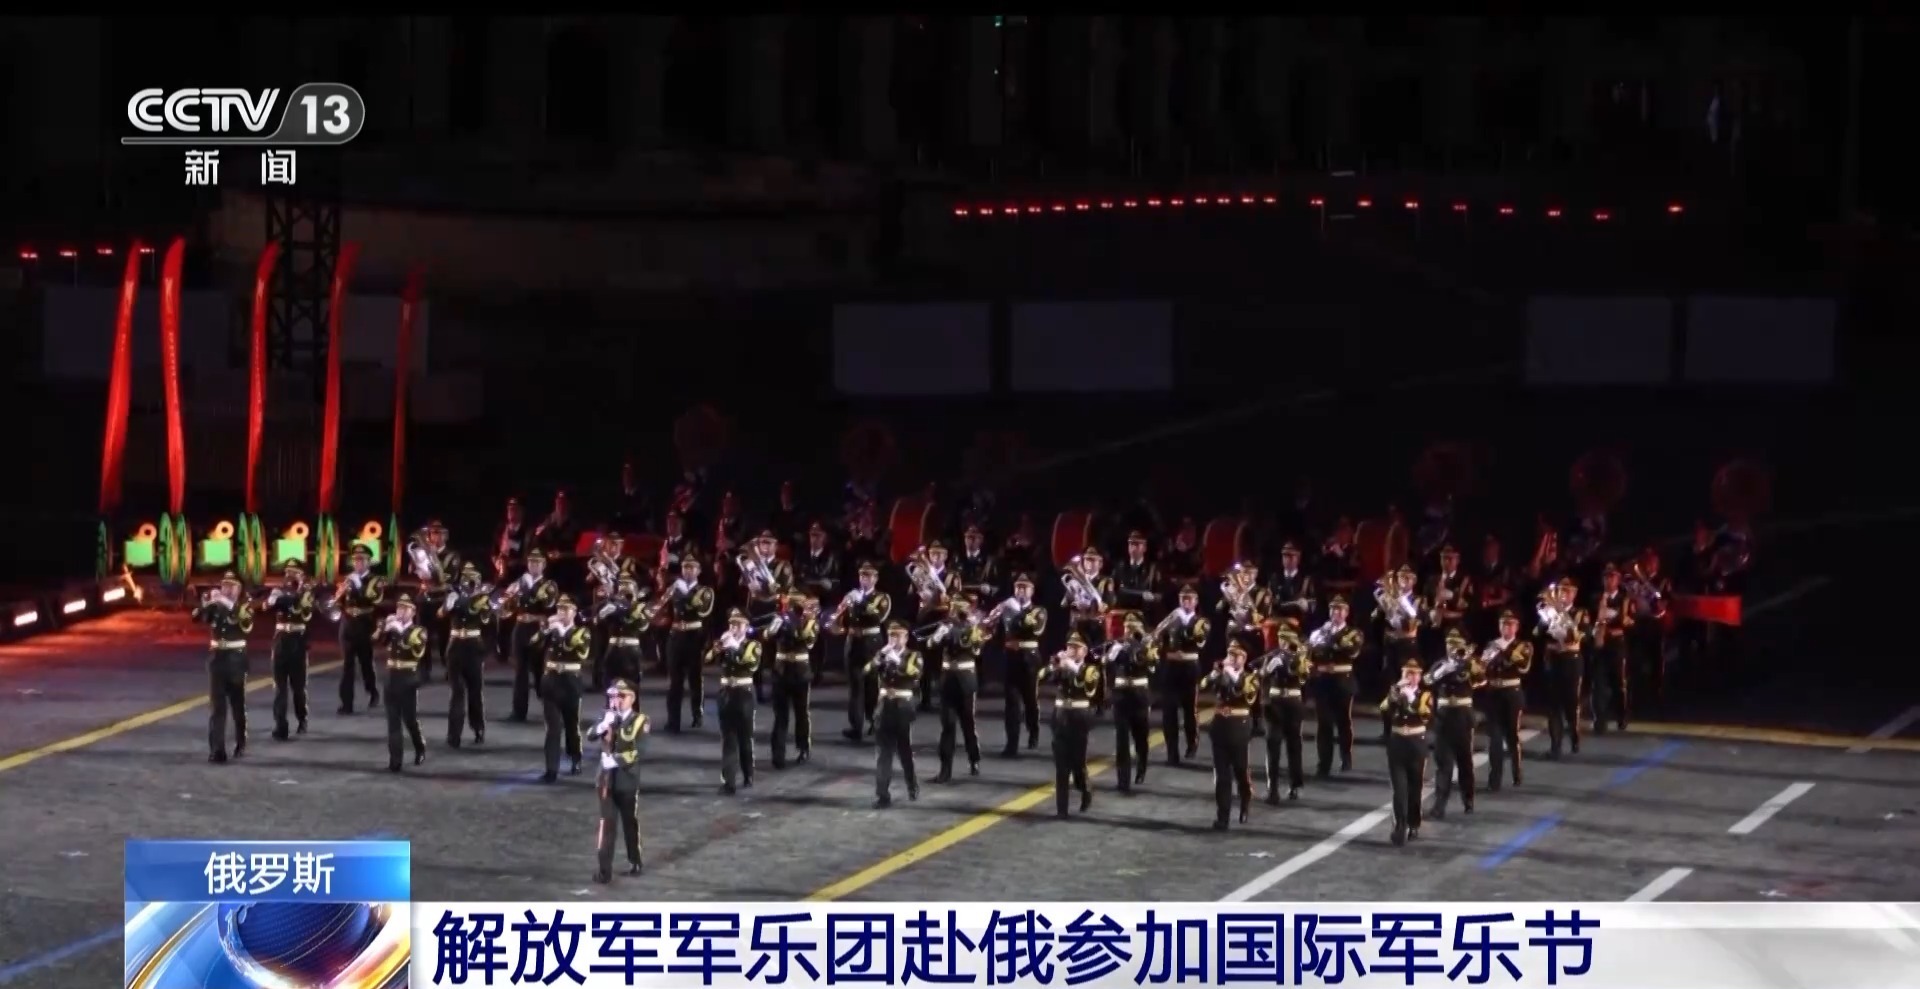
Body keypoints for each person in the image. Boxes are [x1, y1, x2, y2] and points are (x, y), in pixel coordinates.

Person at [193, 572, 255, 764]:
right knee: (217, 708)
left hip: (236, 660)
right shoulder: (217, 605)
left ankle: (240, 742)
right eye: (224, 585)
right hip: (217, 660)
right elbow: (197, 617)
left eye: (231, 586)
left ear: (239, 589)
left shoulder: (244, 606)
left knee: (237, 705)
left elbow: (244, 623)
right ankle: (217, 751)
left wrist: (224, 602)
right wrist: (206, 604)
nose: (226, 589)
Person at [1200, 641, 1260, 830]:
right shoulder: (1221, 675)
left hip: (1239, 727)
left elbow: (1243, 691)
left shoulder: (1250, 678)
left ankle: (1245, 801)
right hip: (1220, 727)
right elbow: (1203, 686)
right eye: (1229, 655)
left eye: (1236, 656)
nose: (1231, 659)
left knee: (1241, 771)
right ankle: (1223, 816)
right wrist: (1214, 673)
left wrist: (1230, 673)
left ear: (1244, 659)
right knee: (1222, 776)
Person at [929, 597, 988, 782]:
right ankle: (945, 770)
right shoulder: (946, 627)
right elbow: (931, 645)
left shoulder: (973, 629)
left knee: (968, 723)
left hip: (965, 679)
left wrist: (972, 630)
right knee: (947, 726)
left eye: (955, 611)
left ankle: (974, 759)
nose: (952, 614)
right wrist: (939, 634)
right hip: (948, 679)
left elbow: (976, 650)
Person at [1043, 634, 1102, 818]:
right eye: (1069, 647)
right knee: (1061, 766)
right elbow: (1043, 678)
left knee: (1078, 763)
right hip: (1060, 716)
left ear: (1084, 651)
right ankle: (1062, 810)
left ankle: (1085, 789)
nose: (1071, 651)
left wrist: (1073, 668)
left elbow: (1088, 688)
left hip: (1079, 717)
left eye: (1076, 648)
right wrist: (1054, 666)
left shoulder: (1091, 669)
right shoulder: (1062, 666)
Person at [865, 622, 923, 808]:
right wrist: (880, 656)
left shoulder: (914, 655)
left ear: (905, 638)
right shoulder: (883, 655)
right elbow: (867, 671)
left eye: (898, 636)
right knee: (883, 754)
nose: (894, 639)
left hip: (903, 707)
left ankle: (912, 785)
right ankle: (882, 794)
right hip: (884, 707)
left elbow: (914, 674)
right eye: (891, 635)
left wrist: (897, 660)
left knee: (904, 751)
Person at [990, 574, 1049, 757]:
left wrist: (1015, 612)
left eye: (1025, 587)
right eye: (1018, 587)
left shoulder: (1038, 611)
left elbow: (1034, 629)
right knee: (1011, 702)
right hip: (1011, 657)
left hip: (1029, 658)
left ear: (1032, 591)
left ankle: (1033, 732)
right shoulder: (1006, 608)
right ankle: (1012, 744)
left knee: (1030, 699)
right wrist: (994, 616)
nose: (1021, 591)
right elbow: (994, 631)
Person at [1307, 595, 1365, 776]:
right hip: (1323, 680)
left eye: (1340, 609)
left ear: (1346, 613)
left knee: (1343, 721)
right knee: (1323, 723)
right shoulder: (1318, 632)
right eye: (1333, 609)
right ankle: (1324, 763)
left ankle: (1345, 757)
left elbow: (1351, 651)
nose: (1336, 613)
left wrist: (1327, 642)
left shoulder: (1353, 633)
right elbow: (1310, 653)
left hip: (1342, 680)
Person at [705, 609, 762, 794]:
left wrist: (735, 647)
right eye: (732, 624)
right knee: (728, 738)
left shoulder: (753, 645)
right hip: (726, 693)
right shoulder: (724, 643)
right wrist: (716, 649)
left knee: (745, 737)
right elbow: (706, 660)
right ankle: (728, 781)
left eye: (738, 624)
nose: (734, 627)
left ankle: (748, 774)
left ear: (746, 627)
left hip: (744, 693)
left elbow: (751, 664)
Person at [1427, 629, 1481, 819]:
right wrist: (1445, 670)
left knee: (1465, 761)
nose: (1452, 648)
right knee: (1444, 764)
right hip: (1444, 716)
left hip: (1463, 715)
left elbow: (1481, 679)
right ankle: (1439, 806)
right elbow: (1428, 680)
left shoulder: (1470, 663)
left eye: (1456, 644)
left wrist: (1468, 663)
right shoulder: (1440, 663)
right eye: (1449, 644)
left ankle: (1468, 800)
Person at [537, 595, 592, 782]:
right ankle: (551, 769)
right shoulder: (552, 630)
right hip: (551, 680)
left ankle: (575, 757)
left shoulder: (582, 632)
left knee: (571, 724)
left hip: (570, 681)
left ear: (574, 612)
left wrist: (562, 634)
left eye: (566, 609)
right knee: (552, 728)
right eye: (559, 608)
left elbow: (581, 653)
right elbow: (533, 645)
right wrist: (544, 631)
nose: (561, 612)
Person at [1380, 658, 1435, 846]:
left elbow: (1426, 715)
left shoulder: (1425, 695)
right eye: (1407, 673)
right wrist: (1395, 692)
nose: (1410, 677)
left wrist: (1412, 698)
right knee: (1399, 790)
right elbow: (1384, 709)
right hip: (1397, 744)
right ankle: (1399, 827)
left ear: (1419, 677)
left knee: (1415, 788)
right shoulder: (1395, 692)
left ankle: (1414, 823)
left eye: (1414, 674)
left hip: (1416, 744)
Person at [835, 562, 892, 743]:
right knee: (855, 686)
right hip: (853, 641)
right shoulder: (852, 595)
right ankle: (856, 726)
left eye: (868, 576)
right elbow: (844, 619)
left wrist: (860, 601)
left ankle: (874, 721)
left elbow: (878, 617)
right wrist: (840, 613)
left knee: (872, 685)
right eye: (862, 576)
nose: (864, 579)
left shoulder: (882, 597)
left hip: (871, 643)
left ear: (875, 578)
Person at [1102, 612, 1158, 793]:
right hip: (1121, 695)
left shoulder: (1148, 645)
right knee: (1122, 740)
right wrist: (1115, 650)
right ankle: (1123, 780)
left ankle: (1141, 767)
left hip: (1139, 694)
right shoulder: (1117, 645)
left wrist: (1142, 647)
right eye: (1127, 627)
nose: (1129, 630)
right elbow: (1105, 663)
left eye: (1134, 627)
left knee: (1141, 737)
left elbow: (1153, 666)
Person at [441, 563, 495, 748]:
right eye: (466, 577)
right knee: (457, 691)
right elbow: (442, 613)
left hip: (473, 646)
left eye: (473, 578)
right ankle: (453, 735)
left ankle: (478, 727)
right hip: (455, 645)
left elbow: (488, 622)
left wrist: (481, 602)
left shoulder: (483, 598)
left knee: (475, 691)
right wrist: (450, 602)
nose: (469, 581)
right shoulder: (453, 594)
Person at [504, 548, 561, 722]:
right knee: (519, 671)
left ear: (543, 565)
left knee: (540, 670)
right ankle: (518, 711)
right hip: (520, 627)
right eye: (530, 562)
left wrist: (527, 592)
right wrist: (510, 596)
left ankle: (550, 709)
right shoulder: (519, 582)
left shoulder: (549, 585)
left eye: (537, 562)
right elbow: (507, 608)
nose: (533, 565)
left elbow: (550, 607)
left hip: (538, 629)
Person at [1478, 610, 1533, 790]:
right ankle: (1494, 780)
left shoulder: (1523, 646)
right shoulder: (1491, 644)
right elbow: (1482, 667)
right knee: (1494, 737)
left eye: (1510, 624)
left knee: (1512, 735)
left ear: (1516, 627)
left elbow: (1524, 668)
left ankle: (1517, 772)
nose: (1506, 627)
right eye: (1503, 624)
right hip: (1493, 692)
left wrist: (1508, 654)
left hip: (1512, 692)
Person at [1156, 584, 1210, 765]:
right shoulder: (1171, 618)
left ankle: (1191, 744)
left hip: (1189, 666)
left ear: (1196, 602)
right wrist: (1163, 628)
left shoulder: (1201, 621)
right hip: (1171, 666)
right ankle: (1172, 752)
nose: (1186, 602)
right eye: (1183, 599)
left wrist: (1180, 623)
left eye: (1189, 599)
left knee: (1189, 709)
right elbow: (1158, 638)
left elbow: (1198, 640)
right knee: (1169, 711)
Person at [1256, 626, 1311, 803]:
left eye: (1284, 640)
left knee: (1288, 744)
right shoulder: (1276, 656)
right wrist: (1267, 667)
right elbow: (1261, 672)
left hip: (1287, 701)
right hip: (1281, 702)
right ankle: (1278, 788)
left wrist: (1282, 663)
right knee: (1279, 744)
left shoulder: (1296, 657)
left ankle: (1289, 787)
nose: (1282, 643)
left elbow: (1304, 677)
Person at [662, 555, 716, 732]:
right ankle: (673, 720)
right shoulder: (675, 588)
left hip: (694, 637)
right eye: (685, 567)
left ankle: (697, 714)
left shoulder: (704, 591)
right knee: (674, 681)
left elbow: (702, 611)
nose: (688, 571)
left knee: (695, 678)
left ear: (698, 571)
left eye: (692, 568)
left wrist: (684, 592)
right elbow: (664, 607)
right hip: (676, 636)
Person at [766, 594, 821, 768]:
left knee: (801, 713)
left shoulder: (810, 622)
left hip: (800, 671)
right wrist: (778, 622)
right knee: (780, 715)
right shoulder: (780, 618)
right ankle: (778, 754)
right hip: (781, 669)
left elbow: (808, 641)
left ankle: (803, 748)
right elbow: (768, 635)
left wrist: (799, 622)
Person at [1535, 579, 1589, 759]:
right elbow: (1537, 633)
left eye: (1568, 591)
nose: (1564, 594)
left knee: (1571, 703)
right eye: (1560, 591)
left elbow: (1583, 634)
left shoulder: (1580, 613)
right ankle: (1555, 746)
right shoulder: (1548, 611)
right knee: (1553, 705)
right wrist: (1545, 621)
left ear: (1574, 594)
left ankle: (1574, 735)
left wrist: (1565, 622)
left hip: (1571, 660)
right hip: (1553, 660)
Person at [264, 562, 316, 741]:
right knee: (279, 687)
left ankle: (302, 718)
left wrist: (285, 598)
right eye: (288, 572)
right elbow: (268, 605)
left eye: (295, 573)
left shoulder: (307, 593)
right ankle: (281, 726)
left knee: (298, 687)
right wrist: (277, 599)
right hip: (280, 640)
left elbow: (301, 609)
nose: (290, 576)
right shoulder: (278, 590)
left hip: (297, 641)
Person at [332, 545, 385, 715]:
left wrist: (357, 585)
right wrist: (337, 597)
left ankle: (372, 691)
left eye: (362, 560)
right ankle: (346, 703)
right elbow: (339, 603)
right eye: (355, 560)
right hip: (348, 624)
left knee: (365, 663)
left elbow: (372, 599)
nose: (358, 563)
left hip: (365, 624)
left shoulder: (375, 580)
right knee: (347, 665)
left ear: (369, 562)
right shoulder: (348, 579)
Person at [379, 595, 430, 773]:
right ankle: (395, 761)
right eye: (399, 607)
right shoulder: (393, 629)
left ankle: (419, 746)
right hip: (391, 677)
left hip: (407, 679)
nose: (401, 611)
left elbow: (416, 651)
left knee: (410, 719)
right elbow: (377, 641)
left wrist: (399, 630)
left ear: (413, 612)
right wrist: (384, 628)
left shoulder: (419, 631)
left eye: (405, 608)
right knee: (393, 721)